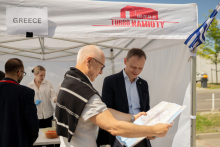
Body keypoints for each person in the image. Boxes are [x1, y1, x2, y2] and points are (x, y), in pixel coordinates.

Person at [55, 45, 172, 147]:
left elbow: (103, 111)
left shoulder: (69, 82)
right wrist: (153, 130)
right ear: (89, 61)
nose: (101, 72)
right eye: (101, 67)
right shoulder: (85, 93)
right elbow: (114, 127)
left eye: (140, 68)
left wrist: (134, 118)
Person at [98, 48, 152, 147]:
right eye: (133, 67)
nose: (136, 71)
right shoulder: (110, 81)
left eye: (140, 68)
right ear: (125, 61)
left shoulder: (143, 84)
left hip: (141, 134)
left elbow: (147, 110)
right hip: (121, 135)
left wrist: (151, 129)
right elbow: (106, 111)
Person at [0, 58, 39, 147]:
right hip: (19, 141)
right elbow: (32, 124)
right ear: (19, 72)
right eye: (23, 73)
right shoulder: (26, 92)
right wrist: (30, 140)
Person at [27, 65, 57, 147]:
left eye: (44, 75)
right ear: (35, 74)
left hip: (48, 116)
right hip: (36, 117)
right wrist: (33, 103)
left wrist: (57, 99)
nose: (43, 77)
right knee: (37, 140)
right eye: (41, 75)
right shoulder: (30, 86)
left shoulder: (48, 84)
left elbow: (53, 97)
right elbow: (28, 102)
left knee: (50, 140)